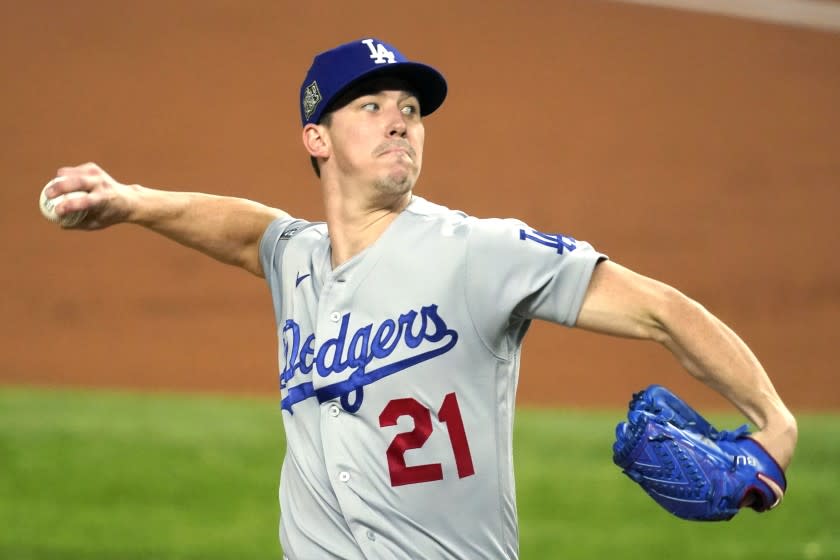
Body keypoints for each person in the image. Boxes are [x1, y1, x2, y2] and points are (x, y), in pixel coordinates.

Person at [45, 38, 798, 559]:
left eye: (408, 105)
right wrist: (132, 201)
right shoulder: (296, 259)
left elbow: (663, 309)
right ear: (317, 138)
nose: (400, 117)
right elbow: (252, 231)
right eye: (371, 105)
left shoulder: (478, 252)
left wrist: (774, 421)